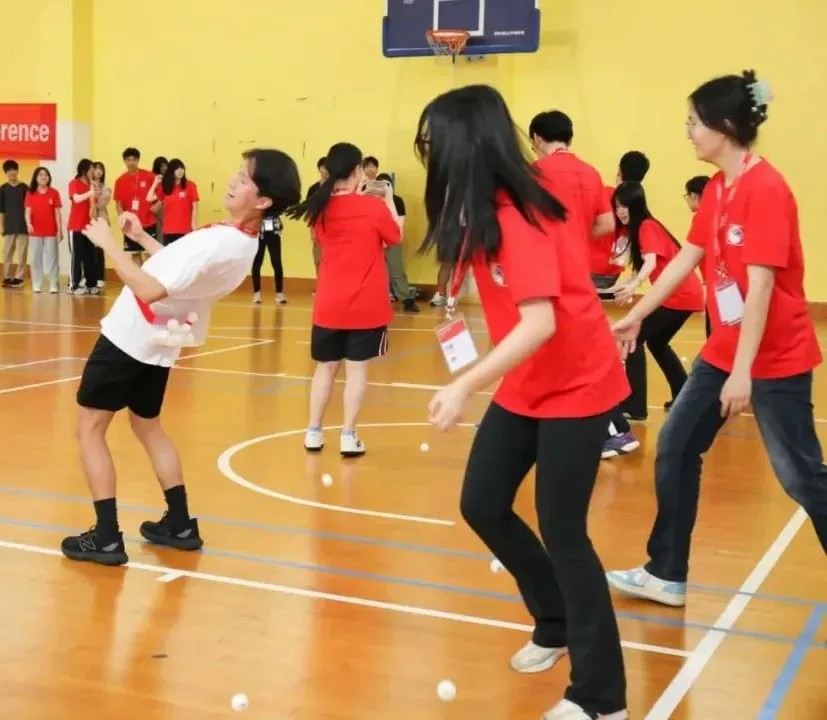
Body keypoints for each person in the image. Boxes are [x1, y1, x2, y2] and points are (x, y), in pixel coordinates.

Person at [417, 84, 628, 720]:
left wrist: (464, 383)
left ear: (463, 145)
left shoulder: (517, 214)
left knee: (565, 533)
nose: (427, 155)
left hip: (577, 383)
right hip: (528, 382)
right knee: (482, 502)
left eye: (432, 143)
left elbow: (541, 323)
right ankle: (554, 619)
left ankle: (601, 698)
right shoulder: (483, 207)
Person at [607, 70, 827, 609]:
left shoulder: (766, 189)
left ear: (725, 127)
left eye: (694, 122)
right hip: (723, 349)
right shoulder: (719, 188)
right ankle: (666, 573)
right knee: (677, 446)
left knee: (800, 478)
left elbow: (761, 286)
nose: (687, 132)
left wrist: (744, 372)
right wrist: (639, 314)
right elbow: (690, 256)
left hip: (774, 356)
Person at [59, 148, 301, 567]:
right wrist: (142, 238)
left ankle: (106, 536)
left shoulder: (219, 243)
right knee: (147, 425)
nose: (233, 180)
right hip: (161, 340)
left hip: (130, 335)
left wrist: (109, 245)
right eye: (238, 172)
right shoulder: (242, 242)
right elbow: (180, 272)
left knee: (90, 427)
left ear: (263, 200)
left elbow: (150, 289)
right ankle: (180, 523)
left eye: (244, 179)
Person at [285, 142, 401, 458]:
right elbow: (395, 236)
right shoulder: (373, 208)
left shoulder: (320, 211)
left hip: (329, 304)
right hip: (366, 306)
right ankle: (348, 435)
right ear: (357, 170)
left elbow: (325, 241)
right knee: (357, 371)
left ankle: (313, 431)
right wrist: (387, 199)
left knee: (324, 369)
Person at [607, 182, 704, 417]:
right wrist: (621, 286)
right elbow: (641, 268)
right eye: (617, 207)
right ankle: (683, 396)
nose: (620, 212)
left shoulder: (647, 226)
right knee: (657, 343)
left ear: (636, 205)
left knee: (632, 340)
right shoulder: (642, 229)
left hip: (678, 296)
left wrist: (634, 286)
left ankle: (635, 407)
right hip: (686, 295)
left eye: (624, 206)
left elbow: (650, 263)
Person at [376, 172, 418, 313]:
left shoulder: (397, 201)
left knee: (397, 271)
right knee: (377, 271)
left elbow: (400, 222)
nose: (384, 187)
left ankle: (406, 299)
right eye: (380, 184)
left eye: (387, 184)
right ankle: (378, 298)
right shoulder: (372, 200)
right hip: (375, 242)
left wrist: (393, 237)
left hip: (393, 240)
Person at [113, 147, 157, 265]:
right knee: (135, 254)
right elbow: (119, 204)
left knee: (149, 254)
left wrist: (156, 207)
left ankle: (148, 276)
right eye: (128, 160)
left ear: (138, 160)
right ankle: (139, 277)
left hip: (148, 222)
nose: (131, 162)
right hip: (130, 225)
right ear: (124, 161)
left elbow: (160, 194)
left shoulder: (149, 176)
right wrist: (123, 220)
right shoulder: (120, 181)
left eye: (134, 160)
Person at [24, 166, 63, 293]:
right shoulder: (30, 193)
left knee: (52, 259)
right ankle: (36, 284)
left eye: (46, 175)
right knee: (35, 258)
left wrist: (60, 230)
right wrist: (28, 224)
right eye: (40, 175)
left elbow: (57, 213)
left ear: (49, 178)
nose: (43, 177)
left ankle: (53, 284)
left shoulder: (54, 193)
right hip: (35, 232)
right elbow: (27, 211)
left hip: (51, 231)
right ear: (36, 178)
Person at [146, 158, 200, 245]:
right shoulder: (166, 187)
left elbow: (195, 206)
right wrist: (155, 183)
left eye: (182, 168)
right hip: (168, 231)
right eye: (177, 168)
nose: (180, 171)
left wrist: (193, 224)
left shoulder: (190, 185)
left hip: (185, 230)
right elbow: (149, 198)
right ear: (171, 171)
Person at [684, 175, 712, 337]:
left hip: (715, 283)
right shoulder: (719, 215)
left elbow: (692, 254)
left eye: (687, 196)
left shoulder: (701, 218)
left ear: (694, 196)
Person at [68, 159, 100, 295]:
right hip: (76, 226)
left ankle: (91, 284)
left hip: (89, 227)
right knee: (76, 257)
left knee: (90, 256)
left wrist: (94, 192)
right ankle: (74, 285)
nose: (93, 171)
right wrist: (89, 193)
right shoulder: (74, 183)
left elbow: (94, 206)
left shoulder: (92, 185)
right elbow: (76, 199)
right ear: (83, 170)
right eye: (91, 168)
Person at [1, 159, 29, 288]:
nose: (12, 172)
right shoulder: (3, 189)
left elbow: (29, 208)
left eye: (14, 169)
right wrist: (2, 226)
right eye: (9, 170)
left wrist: (29, 224)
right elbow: (1, 210)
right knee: (7, 252)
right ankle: (7, 277)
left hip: (23, 226)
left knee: (22, 253)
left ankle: (18, 277)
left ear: (17, 171)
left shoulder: (24, 187)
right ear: (6, 173)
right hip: (9, 226)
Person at [251, 212, 286, 304]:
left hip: (273, 232)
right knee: (257, 262)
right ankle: (257, 293)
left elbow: (281, 211)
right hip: (259, 232)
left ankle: (279, 293)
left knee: (276, 262)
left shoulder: (276, 204)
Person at [92, 161, 112, 288]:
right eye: (96, 168)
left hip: (100, 220)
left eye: (101, 168)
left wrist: (95, 194)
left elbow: (100, 204)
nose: (99, 171)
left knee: (98, 250)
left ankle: (99, 277)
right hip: (88, 220)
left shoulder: (106, 188)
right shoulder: (87, 186)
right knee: (87, 250)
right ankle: (87, 277)